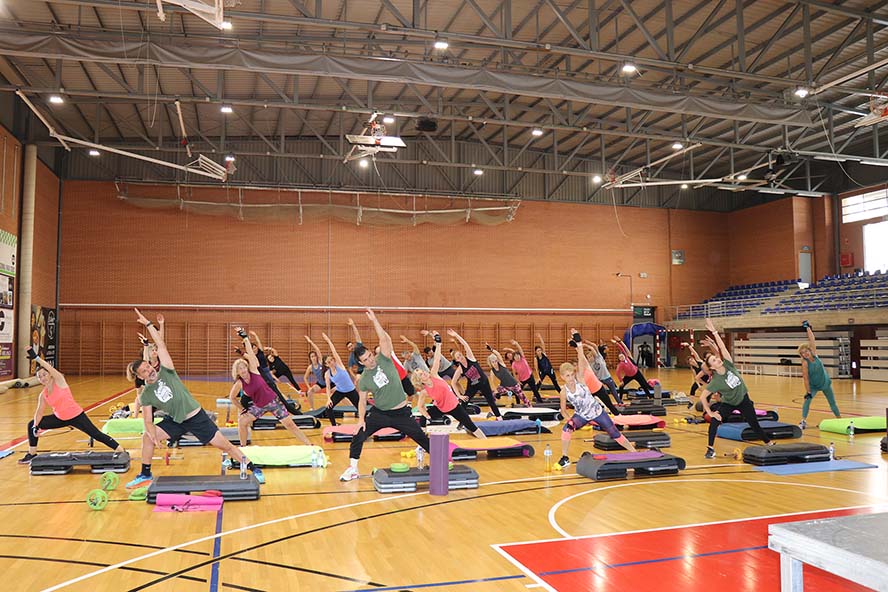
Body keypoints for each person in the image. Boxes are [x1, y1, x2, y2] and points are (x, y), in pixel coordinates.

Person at [127, 309, 265, 486]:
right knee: (146, 437)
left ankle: (253, 468)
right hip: (175, 421)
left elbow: (160, 345)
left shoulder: (167, 371)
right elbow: (147, 419)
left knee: (225, 445)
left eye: (149, 366)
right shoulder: (146, 394)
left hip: (196, 417)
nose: (150, 370)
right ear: (140, 377)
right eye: (144, 371)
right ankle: (145, 473)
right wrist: (152, 434)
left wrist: (149, 324)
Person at [339, 309, 431, 482]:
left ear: (372, 354)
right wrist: (360, 420)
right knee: (358, 435)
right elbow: (362, 400)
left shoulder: (384, 358)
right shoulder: (364, 379)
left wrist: (374, 320)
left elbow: (384, 339)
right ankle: (353, 469)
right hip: (380, 413)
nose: (370, 360)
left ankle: (442, 461)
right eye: (365, 360)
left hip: (401, 413)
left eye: (369, 356)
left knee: (421, 437)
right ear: (360, 363)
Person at [19, 348, 124, 465]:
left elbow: (50, 368)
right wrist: (35, 426)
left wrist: (37, 358)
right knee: (31, 424)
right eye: (39, 377)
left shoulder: (59, 381)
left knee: (96, 434)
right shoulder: (43, 395)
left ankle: (120, 450)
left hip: (76, 416)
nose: (42, 378)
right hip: (60, 418)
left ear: (50, 375)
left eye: (44, 374)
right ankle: (32, 454)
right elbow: (39, 412)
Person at [699, 318, 773, 459]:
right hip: (729, 403)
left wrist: (714, 332)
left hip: (744, 399)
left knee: (753, 423)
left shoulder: (728, 364)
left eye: (716, 358)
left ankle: (768, 443)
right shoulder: (715, 381)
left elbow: (722, 348)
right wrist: (710, 412)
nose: (717, 359)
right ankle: (710, 448)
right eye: (714, 360)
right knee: (715, 420)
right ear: (712, 367)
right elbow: (703, 397)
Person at [229, 328, 312, 447]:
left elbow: (251, 354)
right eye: (239, 369)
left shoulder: (254, 370)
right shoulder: (239, 383)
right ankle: (243, 447)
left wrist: (245, 338)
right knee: (242, 421)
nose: (242, 370)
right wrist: (242, 408)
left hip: (273, 401)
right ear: (236, 372)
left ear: (247, 367)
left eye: (243, 367)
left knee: (289, 424)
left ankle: (309, 444)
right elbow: (232, 398)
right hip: (259, 406)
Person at [557, 344, 636, 468]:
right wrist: (570, 420)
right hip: (581, 416)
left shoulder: (581, 380)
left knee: (615, 434)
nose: (571, 378)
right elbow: (563, 410)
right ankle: (565, 457)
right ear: (562, 377)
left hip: (597, 412)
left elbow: (582, 361)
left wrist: (579, 346)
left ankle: (634, 453)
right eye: (567, 376)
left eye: (572, 375)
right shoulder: (563, 392)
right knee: (566, 429)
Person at [411, 331, 486, 439]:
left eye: (423, 372)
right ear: (420, 380)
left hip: (455, 406)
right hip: (441, 408)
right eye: (421, 374)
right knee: (422, 417)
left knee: (471, 426)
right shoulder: (424, 391)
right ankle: (422, 440)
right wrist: (427, 416)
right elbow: (420, 407)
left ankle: (486, 442)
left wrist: (438, 343)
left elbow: (437, 358)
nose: (424, 373)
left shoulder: (434, 374)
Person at [449, 329, 503, 419]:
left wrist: (456, 335)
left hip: (483, 382)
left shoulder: (470, 357)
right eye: (458, 357)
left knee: (490, 401)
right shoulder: (460, 369)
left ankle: (499, 418)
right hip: (472, 386)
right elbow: (453, 382)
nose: (460, 357)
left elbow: (465, 345)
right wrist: (459, 396)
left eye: (460, 355)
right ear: (456, 360)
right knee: (464, 402)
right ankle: (463, 421)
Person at [798, 322, 841, 429]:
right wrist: (808, 391)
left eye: (806, 351)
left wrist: (808, 328)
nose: (805, 353)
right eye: (803, 353)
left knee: (832, 402)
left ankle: (840, 419)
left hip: (825, 383)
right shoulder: (804, 363)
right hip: (813, 386)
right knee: (807, 401)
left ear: (809, 350)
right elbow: (806, 379)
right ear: (802, 355)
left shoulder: (815, 354)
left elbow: (812, 339)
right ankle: (803, 421)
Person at [570, 331, 622, 416]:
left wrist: (577, 343)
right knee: (590, 407)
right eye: (574, 366)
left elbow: (581, 355)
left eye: (576, 365)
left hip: (599, 388)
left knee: (610, 405)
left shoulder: (586, 366)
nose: (576, 367)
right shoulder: (576, 376)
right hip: (590, 393)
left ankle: (618, 416)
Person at [320, 333, 361, 426]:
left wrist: (328, 341)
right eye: (328, 362)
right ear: (326, 365)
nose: (331, 362)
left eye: (331, 360)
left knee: (361, 408)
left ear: (334, 360)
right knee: (328, 408)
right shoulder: (327, 374)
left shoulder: (340, 365)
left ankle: (365, 423)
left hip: (351, 390)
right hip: (340, 391)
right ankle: (334, 426)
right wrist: (328, 399)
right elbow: (327, 387)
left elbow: (334, 351)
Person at [584, 339, 622, 405]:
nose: (590, 358)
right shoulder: (589, 365)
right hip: (599, 380)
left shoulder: (598, 357)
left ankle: (620, 402)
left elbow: (594, 347)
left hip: (607, 377)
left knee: (614, 391)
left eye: (591, 356)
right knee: (597, 392)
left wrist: (586, 344)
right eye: (589, 357)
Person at [303, 337, 328, 410]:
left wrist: (310, 342)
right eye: (312, 357)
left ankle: (352, 407)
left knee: (340, 393)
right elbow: (305, 377)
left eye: (314, 356)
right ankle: (312, 408)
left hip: (329, 382)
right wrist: (309, 387)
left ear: (317, 357)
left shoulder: (320, 362)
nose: (313, 358)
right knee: (310, 392)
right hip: (320, 384)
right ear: (310, 358)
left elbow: (318, 350)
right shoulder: (310, 367)